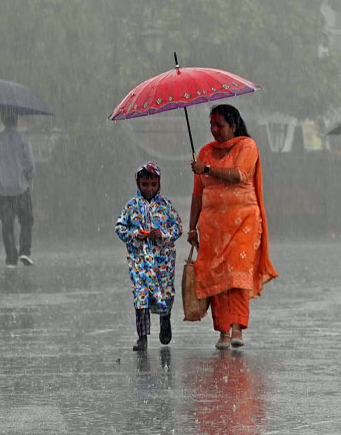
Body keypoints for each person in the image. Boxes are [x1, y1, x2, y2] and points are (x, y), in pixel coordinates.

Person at [187, 104, 278, 350]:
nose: (214, 130)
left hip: (243, 223)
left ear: (234, 125)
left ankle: (237, 328)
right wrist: (192, 227)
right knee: (215, 276)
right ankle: (223, 332)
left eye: (220, 125)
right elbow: (197, 194)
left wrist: (205, 169)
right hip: (212, 227)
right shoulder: (205, 151)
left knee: (237, 275)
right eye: (211, 125)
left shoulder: (247, 146)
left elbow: (239, 175)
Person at [115, 162, 182, 352]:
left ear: (159, 183)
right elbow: (119, 227)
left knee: (165, 293)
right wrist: (135, 235)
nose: (149, 189)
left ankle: (165, 320)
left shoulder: (166, 205)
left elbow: (177, 228)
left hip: (163, 262)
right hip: (140, 262)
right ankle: (142, 336)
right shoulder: (131, 206)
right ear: (138, 183)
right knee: (141, 297)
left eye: (153, 184)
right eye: (145, 184)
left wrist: (161, 235)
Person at [0, 110, 35, 268]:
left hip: (3, 189)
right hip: (21, 187)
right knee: (26, 220)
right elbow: (30, 163)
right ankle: (24, 250)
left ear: (3, 120)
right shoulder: (23, 139)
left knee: (7, 224)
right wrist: (28, 175)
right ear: (16, 121)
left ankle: (11, 257)